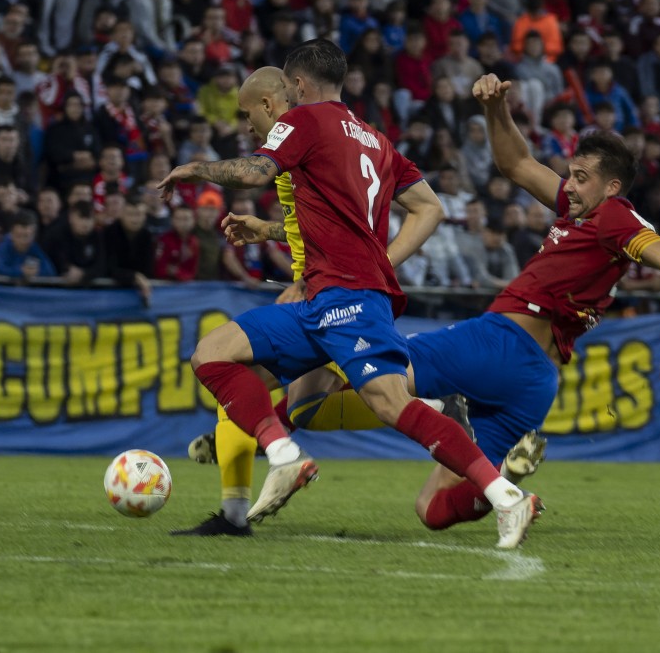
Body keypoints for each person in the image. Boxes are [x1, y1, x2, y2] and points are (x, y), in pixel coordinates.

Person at [211, 73, 660, 539]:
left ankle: (277, 433)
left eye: (579, 177)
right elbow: (515, 164)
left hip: (501, 342)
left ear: (611, 188)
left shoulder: (616, 221)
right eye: (569, 176)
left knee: (351, 381)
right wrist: (497, 110)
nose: (566, 185)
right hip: (535, 380)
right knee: (433, 510)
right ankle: (511, 484)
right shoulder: (583, 213)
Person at [157, 45, 541, 549]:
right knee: (214, 354)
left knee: (391, 405)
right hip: (321, 297)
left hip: (347, 299)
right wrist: (351, 254)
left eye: (248, 112)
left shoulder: (306, 122)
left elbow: (254, 173)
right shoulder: (375, 140)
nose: (249, 123)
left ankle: (505, 497)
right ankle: (282, 459)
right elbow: (426, 208)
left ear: (295, 88)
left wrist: (197, 169)